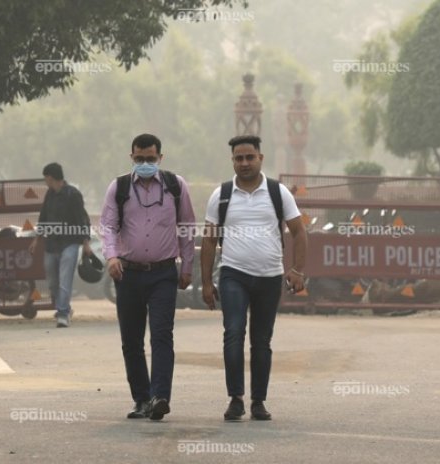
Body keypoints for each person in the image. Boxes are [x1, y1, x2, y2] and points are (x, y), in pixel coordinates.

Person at [201, 135, 307, 421]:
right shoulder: (221, 195)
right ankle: (235, 399)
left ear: (260, 158)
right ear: (232, 161)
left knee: (262, 341)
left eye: (250, 157)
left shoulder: (278, 193)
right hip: (233, 275)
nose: (244, 163)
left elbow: (299, 232)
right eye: (239, 158)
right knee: (233, 334)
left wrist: (297, 270)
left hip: (269, 277)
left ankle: (258, 401)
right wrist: (207, 283)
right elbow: (209, 241)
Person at [99, 133, 195, 421]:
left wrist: (187, 266)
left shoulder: (176, 186)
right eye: (139, 159)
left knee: (162, 335)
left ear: (160, 158)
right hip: (128, 273)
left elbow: (187, 226)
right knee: (131, 339)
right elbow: (107, 226)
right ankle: (141, 399)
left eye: (150, 159)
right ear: (131, 158)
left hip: (164, 273)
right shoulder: (119, 188)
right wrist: (112, 256)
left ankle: (160, 396)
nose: (145, 164)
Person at [29, 163, 92, 328]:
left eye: (46, 179)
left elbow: (82, 219)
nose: (45, 182)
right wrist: (37, 239)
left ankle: (62, 314)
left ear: (52, 178)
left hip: (70, 243)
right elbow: (43, 216)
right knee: (52, 282)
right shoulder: (50, 194)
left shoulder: (73, 194)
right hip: (51, 244)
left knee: (65, 280)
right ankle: (65, 308)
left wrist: (86, 243)